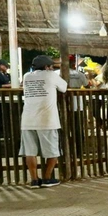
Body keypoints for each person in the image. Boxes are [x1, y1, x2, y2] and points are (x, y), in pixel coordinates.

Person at [19, 55, 67, 188]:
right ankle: (47, 178)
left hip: (27, 119)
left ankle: (34, 180)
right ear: (47, 67)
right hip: (47, 119)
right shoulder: (50, 75)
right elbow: (64, 87)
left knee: (30, 151)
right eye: (51, 66)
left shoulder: (26, 76)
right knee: (52, 150)